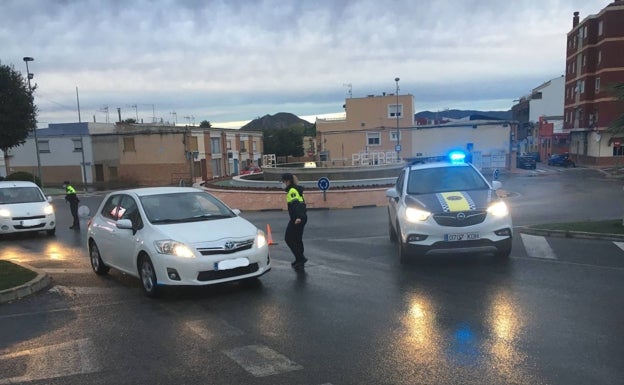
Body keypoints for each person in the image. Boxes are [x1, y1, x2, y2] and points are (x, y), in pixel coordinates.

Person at [281, 173, 308, 270]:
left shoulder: (292, 191)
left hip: (297, 218)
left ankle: (300, 258)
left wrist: (298, 217)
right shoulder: (295, 189)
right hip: (301, 217)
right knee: (297, 239)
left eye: (283, 181)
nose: (282, 183)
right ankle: (299, 259)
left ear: (288, 181)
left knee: (288, 238)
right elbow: (302, 203)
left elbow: (297, 204)